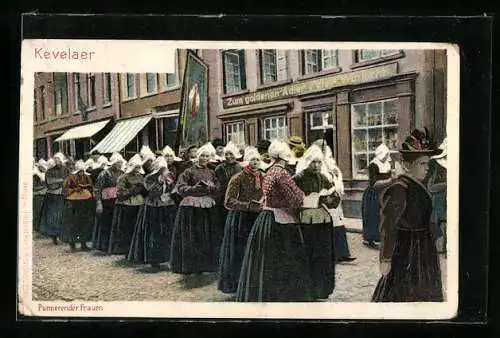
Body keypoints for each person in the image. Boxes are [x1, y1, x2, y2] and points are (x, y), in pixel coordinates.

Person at [236, 140, 314, 302]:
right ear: (283, 156)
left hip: (267, 217)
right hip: (281, 219)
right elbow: (295, 198)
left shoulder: (270, 171)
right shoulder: (282, 173)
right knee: (284, 259)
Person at [372, 128, 444, 302]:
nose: (427, 168)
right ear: (407, 165)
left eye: (428, 163)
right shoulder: (399, 188)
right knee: (402, 291)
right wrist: (386, 258)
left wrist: (434, 232)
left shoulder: (418, 186)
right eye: (422, 164)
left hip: (423, 246)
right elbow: (388, 225)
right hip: (406, 248)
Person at [293, 144, 340, 300]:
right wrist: (310, 200)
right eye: (313, 162)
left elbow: (334, 199)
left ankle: (322, 289)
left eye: (319, 162)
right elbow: (293, 200)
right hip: (306, 222)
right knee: (308, 256)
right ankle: (308, 289)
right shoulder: (298, 178)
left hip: (323, 221)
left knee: (323, 257)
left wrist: (330, 198)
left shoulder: (324, 177)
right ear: (307, 162)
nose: (316, 165)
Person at [170, 143, 222, 275]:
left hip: (207, 206)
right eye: (202, 156)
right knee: (193, 236)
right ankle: (192, 266)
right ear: (197, 157)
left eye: (207, 156)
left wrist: (211, 188)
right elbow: (180, 188)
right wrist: (195, 189)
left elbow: (218, 189)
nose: (204, 158)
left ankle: (206, 265)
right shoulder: (188, 172)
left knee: (206, 236)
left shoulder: (212, 172)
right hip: (191, 208)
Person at [218, 146, 264, 294]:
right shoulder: (238, 177)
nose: (255, 162)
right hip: (240, 219)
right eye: (252, 160)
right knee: (240, 250)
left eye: (257, 159)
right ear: (246, 162)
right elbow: (229, 201)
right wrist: (247, 205)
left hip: (258, 217)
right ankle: (237, 283)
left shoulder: (264, 176)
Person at [128, 156, 177, 270]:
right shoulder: (149, 178)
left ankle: (167, 257)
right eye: (160, 169)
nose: (162, 171)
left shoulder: (168, 177)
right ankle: (153, 259)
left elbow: (173, 190)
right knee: (153, 232)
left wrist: (169, 184)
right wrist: (159, 183)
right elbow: (151, 191)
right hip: (153, 206)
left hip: (166, 205)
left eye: (163, 169)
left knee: (167, 231)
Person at [312, 139, 356, 263]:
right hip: (325, 198)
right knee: (329, 226)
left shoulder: (331, 163)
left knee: (339, 225)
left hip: (334, 198)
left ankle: (342, 253)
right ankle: (332, 254)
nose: (325, 150)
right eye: (322, 148)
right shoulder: (318, 164)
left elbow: (337, 176)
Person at [108, 154, 147, 255]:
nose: (137, 169)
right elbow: (119, 192)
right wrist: (131, 191)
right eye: (136, 167)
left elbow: (144, 189)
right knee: (126, 228)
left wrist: (142, 190)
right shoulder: (124, 177)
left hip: (138, 203)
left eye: (139, 167)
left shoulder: (140, 176)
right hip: (126, 204)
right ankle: (126, 250)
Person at [361, 144, 396, 249]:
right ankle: (372, 238)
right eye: (385, 155)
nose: (386, 157)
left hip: (386, 192)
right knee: (374, 216)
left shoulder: (388, 164)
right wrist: (389, 181)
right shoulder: (373, 165)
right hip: (375, 194)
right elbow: (374, 183)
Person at [92, 152, 125, 253]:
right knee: (106, 224)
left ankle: (116, 247)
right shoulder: (104, 174)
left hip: (118, 201)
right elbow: (98, 189)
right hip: (107, 201)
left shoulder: (122, 173)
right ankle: (104, 246)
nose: (119, 165)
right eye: (117, 163)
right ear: (113, 163)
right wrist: (99, 203)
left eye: (121, 163)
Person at [60, 160, 95, 252]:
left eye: (83, 171)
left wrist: (87, 187)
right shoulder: (71, 177)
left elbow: (91, 186)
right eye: (80, 172)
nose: (82, 173)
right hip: (73, 202)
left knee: (84, 223)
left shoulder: (87, 177)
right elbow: (65, 189)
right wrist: (75, 189)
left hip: (85, 201)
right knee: (73, 223)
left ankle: (84, 243)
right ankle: (72, 245)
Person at [38, 153, 70, 245]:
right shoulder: (50, 171)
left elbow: (68, 180)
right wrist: (60, 180)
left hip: (63, 195)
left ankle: (62, 235)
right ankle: (53, 236)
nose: (56, 160)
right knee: (53, 216)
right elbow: (49, 182)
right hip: (52, 196)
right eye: (55, 159)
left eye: (58, 159)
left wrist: (61, 182)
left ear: (61, 160)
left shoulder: (66, 170)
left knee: (62, 216)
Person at [214, 141, 243, 222]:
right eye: (226, 154)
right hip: (222, 198)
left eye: (231, 154)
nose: (228, 156)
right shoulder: (219, 168)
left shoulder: (240, 167)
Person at [427, 138, 447, 256]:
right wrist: (446, 184)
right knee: (439, 221)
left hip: (445, 197)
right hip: (437, 198)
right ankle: (439, 247)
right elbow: (431, 187)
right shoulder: (434, 164)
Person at [33, 162, 47, 235]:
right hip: (38, 195)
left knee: (42, 213)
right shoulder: (36, 175)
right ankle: (36, 228)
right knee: (38, 212)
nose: (44, 168)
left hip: (43, 194)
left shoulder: (43, 174)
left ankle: (40, 228)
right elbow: (34, 187)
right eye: (42, 167)